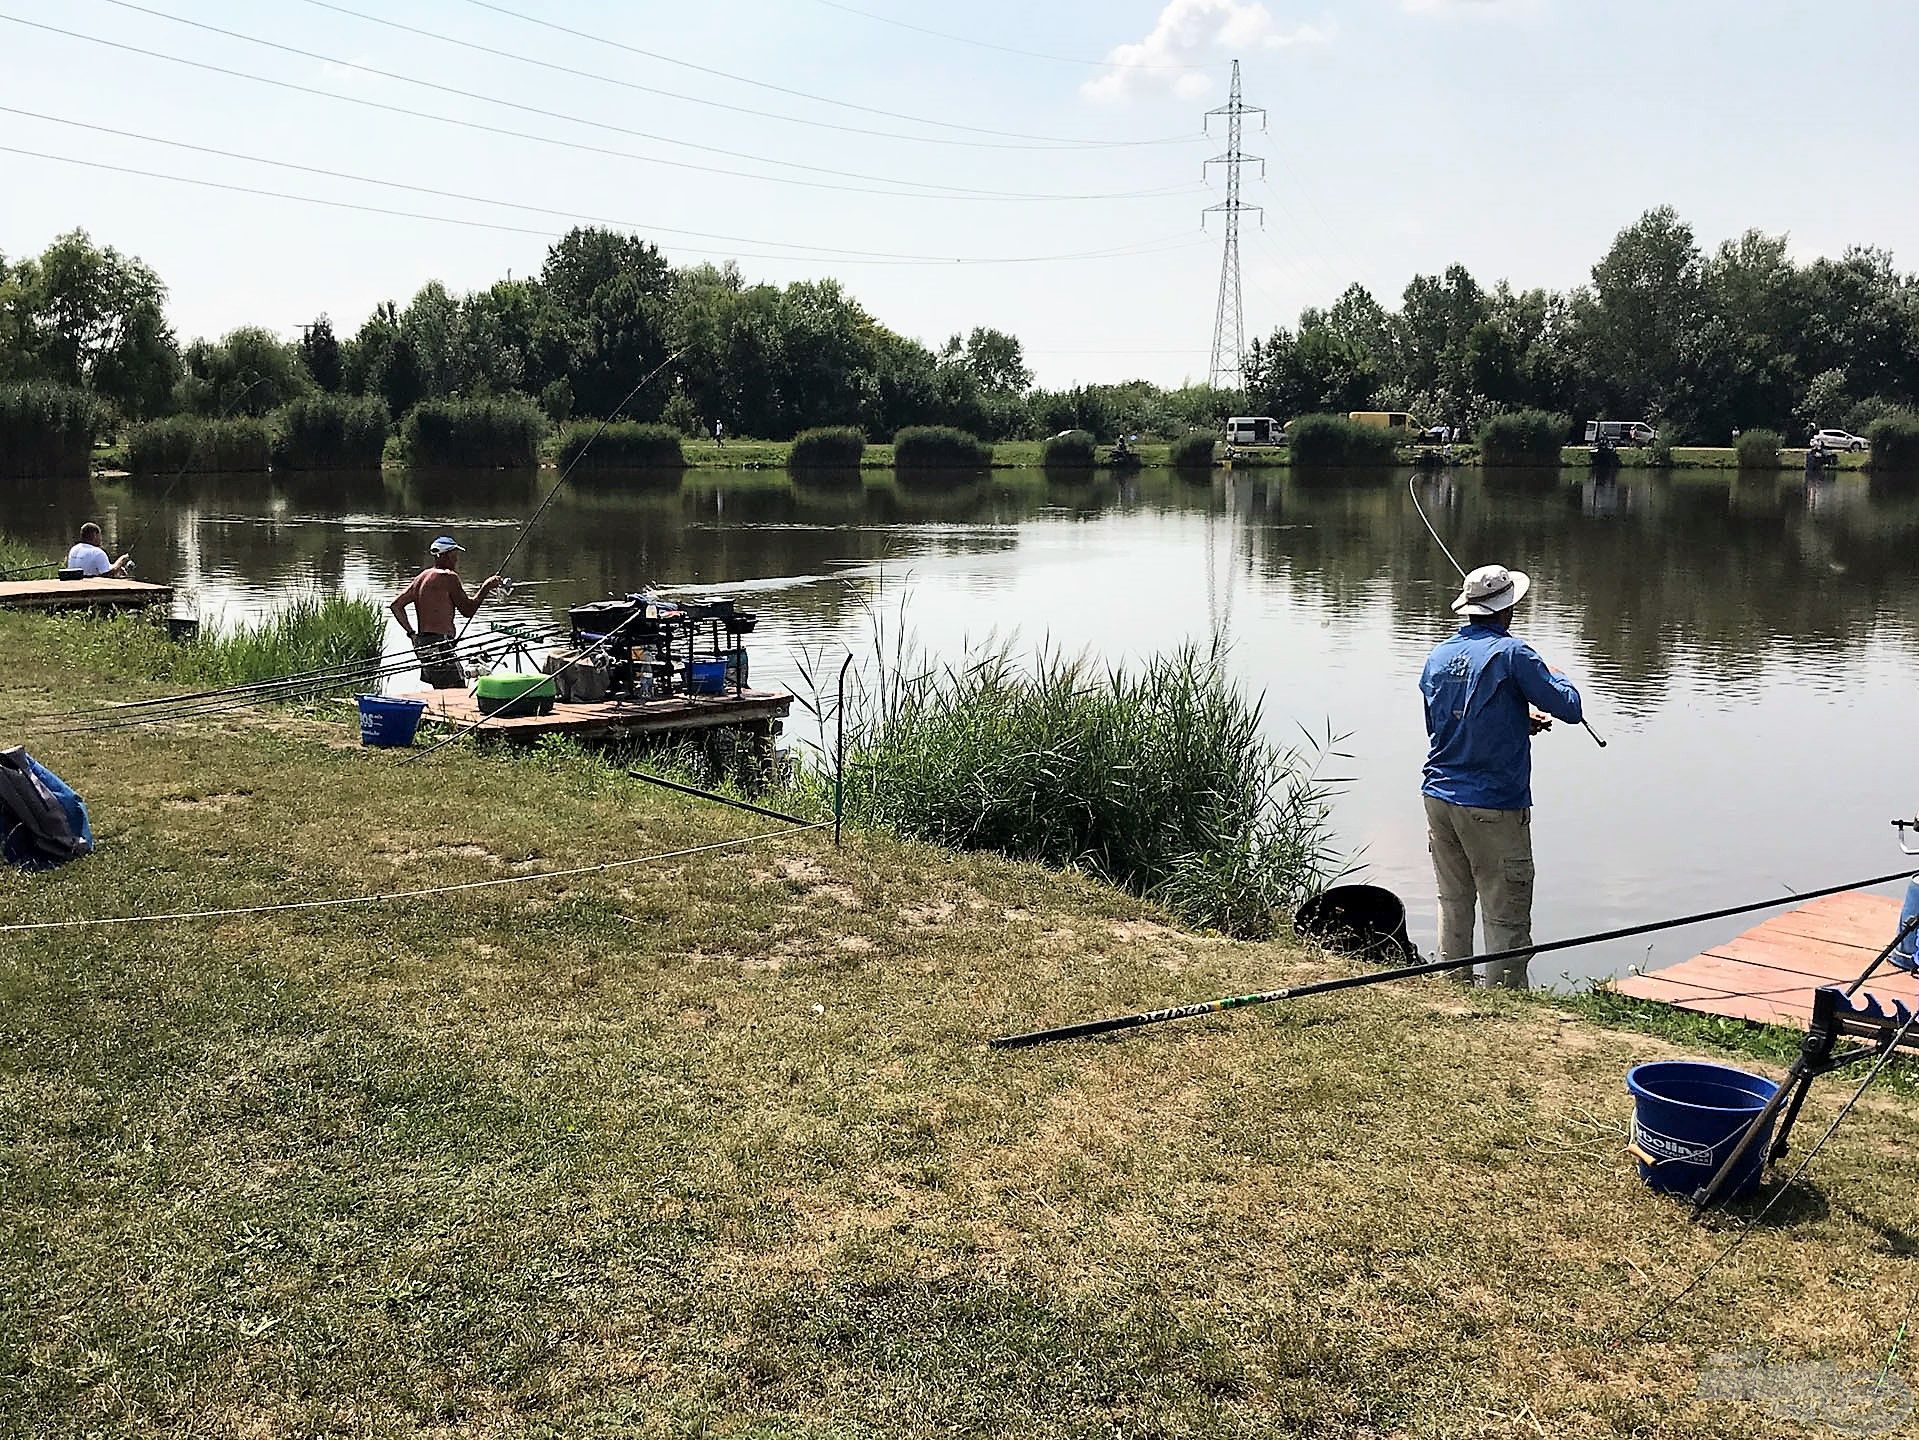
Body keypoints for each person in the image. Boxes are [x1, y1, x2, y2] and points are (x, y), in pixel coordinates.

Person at [1419, 563, 1584, 989]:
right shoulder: (1515, 654)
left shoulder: (1436, 657)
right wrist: (1559, 678)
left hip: (1438, 795)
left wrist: (1515, 716)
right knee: (1505, 905)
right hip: (1492, 802)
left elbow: (1445, 723)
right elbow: (1569, 709)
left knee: (1453, 899)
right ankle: (1506, 997)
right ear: (1507, 608)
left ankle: (1451, 984)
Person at [389, 536, 501, 690]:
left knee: (441, 690)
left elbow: (396, 606)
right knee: (456, 690)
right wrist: (486, 587)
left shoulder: (422, 577)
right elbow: (468, 610)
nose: (456, 560)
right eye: (454, 555)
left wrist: (411, 634)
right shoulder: (448, 577)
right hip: (440, 644)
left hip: (422, 644)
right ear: (446, 555)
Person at [65, 523, 130, 579]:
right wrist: (122, 560)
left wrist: (117, 567)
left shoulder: (74, 549)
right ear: (95, 535)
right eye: (100, 535)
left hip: (75, 583)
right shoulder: (97, 552)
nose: (101, 539)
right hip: (91, 587)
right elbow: (109, 574)